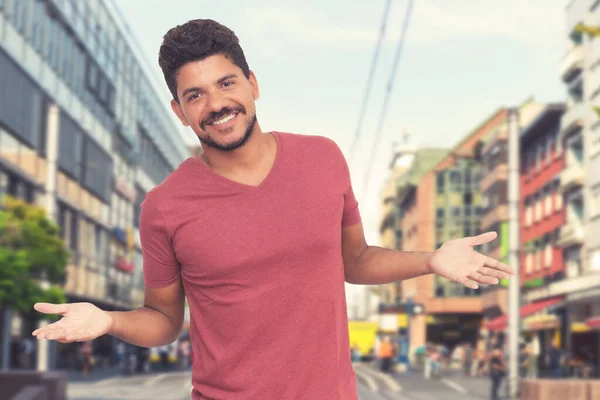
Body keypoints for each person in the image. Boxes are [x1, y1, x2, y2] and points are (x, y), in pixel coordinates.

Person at [30, 19, 515, 400]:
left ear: (253, 83)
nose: (217, 104)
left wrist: (430, 259)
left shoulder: (323, 158)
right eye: (195, 95)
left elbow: (356, 260)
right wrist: (110, 321)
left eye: (226, 83)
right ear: (179, 112)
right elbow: (162, 319)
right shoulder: (163, 207)